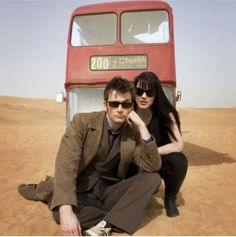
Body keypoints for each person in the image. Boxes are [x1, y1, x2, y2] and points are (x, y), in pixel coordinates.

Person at [18, 76, 162, 236]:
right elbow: (66, 165)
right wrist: (66, 209)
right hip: (80, 191)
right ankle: (116, 219)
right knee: (61, 214)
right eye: (114, 104)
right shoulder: (82, 122)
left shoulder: (133, 133)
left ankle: (106, 223)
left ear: (131, 108)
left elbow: (152, 166)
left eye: (126, 104)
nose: (120, 109)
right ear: (105, 105)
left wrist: (142, 127)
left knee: (153, 179)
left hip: (109, 192)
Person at [133, 71, 188, 217]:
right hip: (135, 162)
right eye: (139, 91)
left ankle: (170, 198)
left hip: (159, 161)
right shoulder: (128, 112)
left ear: (156, 94)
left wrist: (153, 151)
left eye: (149, 92)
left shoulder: (166, 114)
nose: (143, 96)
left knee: (178, 160)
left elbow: (178, 145)